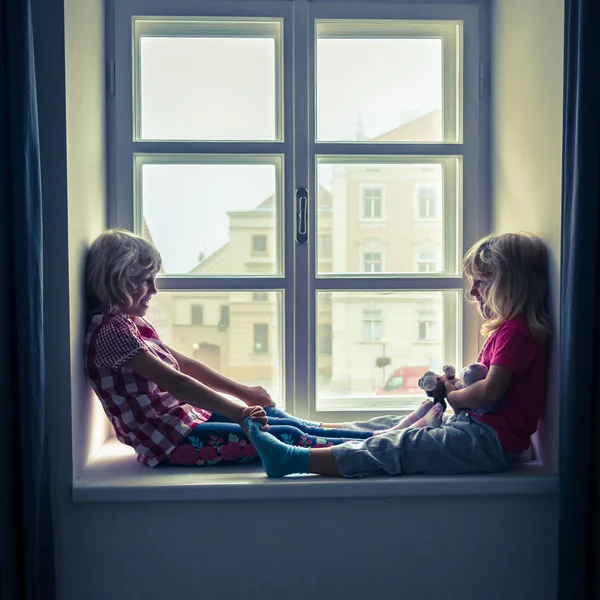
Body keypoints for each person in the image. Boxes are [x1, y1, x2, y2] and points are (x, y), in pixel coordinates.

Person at [245, 232, 552, 477]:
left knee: (399, 444)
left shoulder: (517, 332)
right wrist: (453, 386)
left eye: (481, 283)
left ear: (509, 284)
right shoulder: (507, 331)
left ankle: (291, 459)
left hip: (487, 443)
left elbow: (488, 392)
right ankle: (304, 430)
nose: (472, 293)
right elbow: (490, 393)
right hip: (478, 433)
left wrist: (454, 397)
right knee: (386, 424)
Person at [84, 229, 373, 468]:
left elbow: (183, 364)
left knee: (272, 416)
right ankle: (373, 447)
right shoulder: (112, 331)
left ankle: (374, 435)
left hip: (185, 421)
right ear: (120, 278)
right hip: (170, 442)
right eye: (146, 280)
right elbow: (176, 382)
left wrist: (244, 395)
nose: (155, 289)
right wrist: (238, 412)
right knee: (285, 434)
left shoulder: (128, 322)